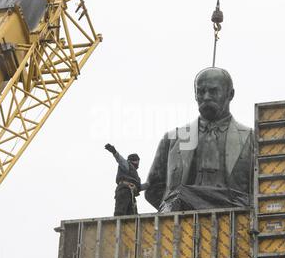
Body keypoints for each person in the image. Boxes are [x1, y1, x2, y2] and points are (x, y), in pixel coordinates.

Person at [144, 67, 254, 213]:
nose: (206, 97)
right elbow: (153, 188)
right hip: (182, 227)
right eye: (201, 92)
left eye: (213, 91)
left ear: (230, 94)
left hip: (236, 225)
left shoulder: (252, 140)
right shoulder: (171, 140)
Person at [105, 144, 142, 216]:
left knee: (133, 215)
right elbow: (120, 159)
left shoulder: (135, 176)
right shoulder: (127, 165)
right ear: (134, 161)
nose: (138, 163)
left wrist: (150, 183)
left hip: (131, 194)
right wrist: (114, 152)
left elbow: (140, 187)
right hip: (124, 190)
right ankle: (117, 226)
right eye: (137, 161)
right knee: (120, 212)